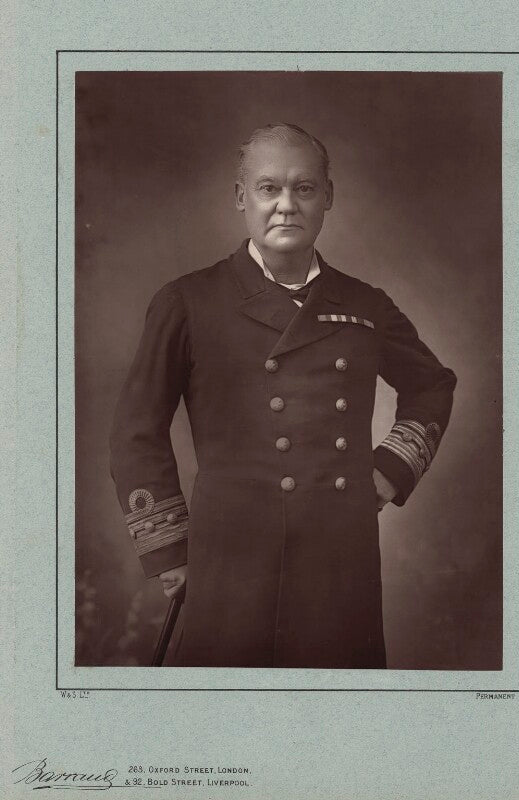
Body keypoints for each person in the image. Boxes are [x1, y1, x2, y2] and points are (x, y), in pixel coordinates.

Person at [110, 122, 457, 668]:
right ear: (241, 197)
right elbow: (136, 430)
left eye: (305, 188)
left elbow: (432, 384)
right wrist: (168, 549)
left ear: (328, 197)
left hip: (339, 559)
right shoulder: (188, 301)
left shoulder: (366, 304)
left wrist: (391, 469)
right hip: (229, 556)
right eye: (269, 188)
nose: (286, 205)